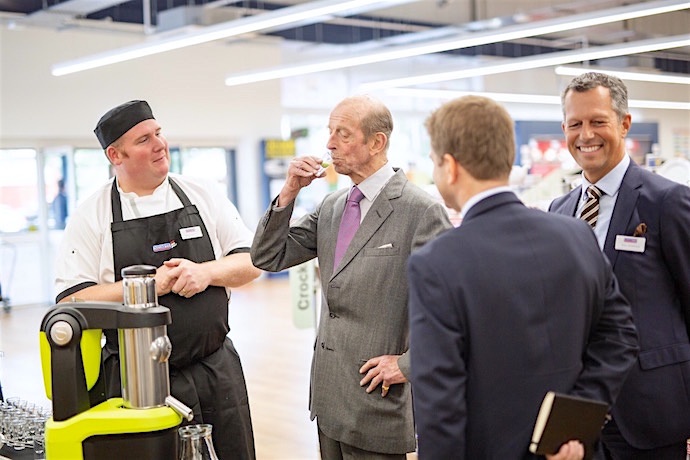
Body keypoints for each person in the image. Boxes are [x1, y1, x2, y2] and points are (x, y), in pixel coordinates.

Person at [407, 95, 639, 460]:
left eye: (435, 163)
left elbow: (440, 403)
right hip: (569, 448)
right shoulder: (577, 235)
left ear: (449, 167)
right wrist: (573, 422)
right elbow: (620, 338)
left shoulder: (436, 264)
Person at [54, 100, 262, 460]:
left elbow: (253, 262)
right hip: (136, 382)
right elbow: (72, 300)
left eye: (159, 133)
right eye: (144, 139)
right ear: (115, 155)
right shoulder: (92, 215)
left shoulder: (201, 193)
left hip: (216, 370)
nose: (159, 144)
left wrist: (205, 272)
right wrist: (151, 285)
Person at [250, 94, 452, 459]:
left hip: (379, 397)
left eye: (342, 133)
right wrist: (289, 191)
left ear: (377, 142)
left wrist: (408, 364)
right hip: (329, 397)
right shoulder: (332, 207)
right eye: (330, 131)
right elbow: (267, 255)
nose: (329, 143)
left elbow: (447, 308)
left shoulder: (421, 211)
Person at [549, 72, 690, 459]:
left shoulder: (667, 203)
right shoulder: (559, 212)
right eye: (575, 124)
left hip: (652, 412)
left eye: (598, 121)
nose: (585, 134)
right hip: (578, 415)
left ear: (624, 124)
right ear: (564, 129)